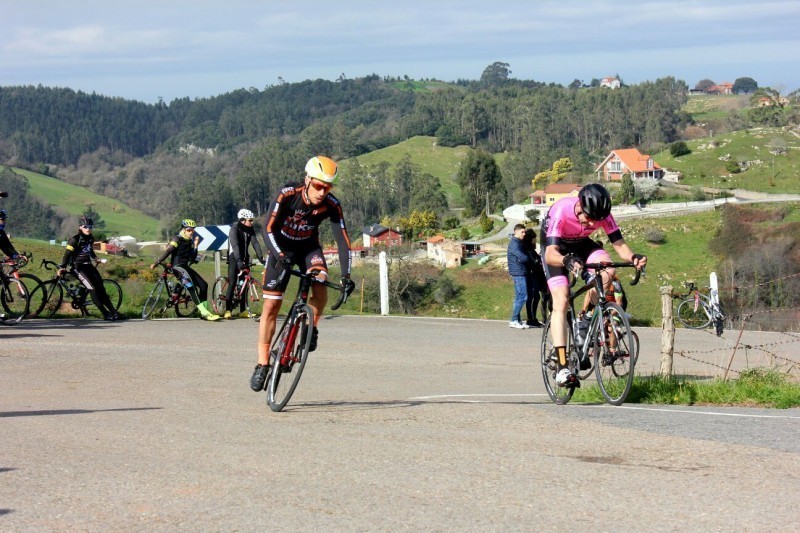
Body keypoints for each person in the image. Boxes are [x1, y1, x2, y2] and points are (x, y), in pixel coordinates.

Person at [250, 155, 354, 391]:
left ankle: (311, 327)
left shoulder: (331, 204)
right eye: (318, 185)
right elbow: (267, 229)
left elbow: (343, 242)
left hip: (308, 248)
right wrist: (279, 256)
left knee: (320, 280)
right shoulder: (288, 193)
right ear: (307, 180)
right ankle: (263, 363)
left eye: (327, 187)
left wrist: (346, 276)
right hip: (281, 248)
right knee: (270, 307)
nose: (322, 192)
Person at [541, 183, 646, 388]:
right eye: (589, 219)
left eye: (596, 221)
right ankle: (562, 368)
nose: (591, 224)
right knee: (561, 300)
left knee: (608, 270)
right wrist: (566, 261)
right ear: (579, 206)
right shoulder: (561, 210)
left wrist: (633, 257)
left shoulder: (603, 215)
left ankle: (588, 319)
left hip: (581, 244)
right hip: (555, 250)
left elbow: (619, 245)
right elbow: (550, 253)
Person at [150, 218, 220, 321]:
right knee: (192, 288)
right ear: (183, 230)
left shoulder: (190, 241)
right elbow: (169, 251)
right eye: (188, 230)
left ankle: (204, 311)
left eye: (192, 230)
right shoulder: (177, 239)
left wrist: (196, 246)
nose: (191, 232)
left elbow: (192, 257)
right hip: (178, 267)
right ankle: (205, 313)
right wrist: (157, 262)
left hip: (185, 266)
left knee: (204, 285)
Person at [58, 216, 123, 321]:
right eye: (85, 226)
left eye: (90, 226)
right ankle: (105, 314)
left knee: (101, 288)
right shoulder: (74, 240)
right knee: (92, 288)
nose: (88, 229)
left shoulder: (90, 238)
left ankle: (114, 312)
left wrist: (96, 258)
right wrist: (62, 267)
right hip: (77, 268)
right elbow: (67, 254)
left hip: (88, 265)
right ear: (80, 227)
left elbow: (90, 250)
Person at [223, 208, 265, 319]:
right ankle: (228, 310)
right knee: (232, 283)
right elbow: (235, 245)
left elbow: (255, 243)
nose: (252, 223)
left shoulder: (250, 230)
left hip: (245, 258)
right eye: (249, 220)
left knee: (244, 283)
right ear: (242, 220)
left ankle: (242, 310)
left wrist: (261, 258)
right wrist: (238, 260)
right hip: (234, 258)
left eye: (252, 221)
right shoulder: (234, 229)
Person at [506, 223, 532, 329]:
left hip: (519, 271)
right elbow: (523, 257)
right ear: (516, 231)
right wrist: (529, 259)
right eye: (522, 231)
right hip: (518, 272)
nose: (524, 234)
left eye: (524, 231)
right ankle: (513, 320)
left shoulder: (517, 242)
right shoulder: (515, 243)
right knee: (523, 296)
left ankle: (517, 320)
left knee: (518, 297)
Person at [522, 228, 545, 328]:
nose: (535, 241)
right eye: (534, 239)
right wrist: (539, 260)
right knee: (533, 297)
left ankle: (532, 318)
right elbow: (534, 261)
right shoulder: (528, 249)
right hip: (531, 275)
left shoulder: (529, 249)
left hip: (533, 275)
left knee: (534, 297)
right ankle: (531, 318)